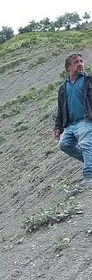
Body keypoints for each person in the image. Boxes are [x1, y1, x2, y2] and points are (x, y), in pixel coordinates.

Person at [54, 53, 92, 186]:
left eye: (81, 61)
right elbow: (61, 110)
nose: (80, 64)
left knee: (86, 144)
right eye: (76, 62)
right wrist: (58, 127)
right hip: (70, 124)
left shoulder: (89, 80)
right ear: (68, 67)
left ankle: (89, 177)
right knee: (64, 145)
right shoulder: (63, 88)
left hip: (86, 120)